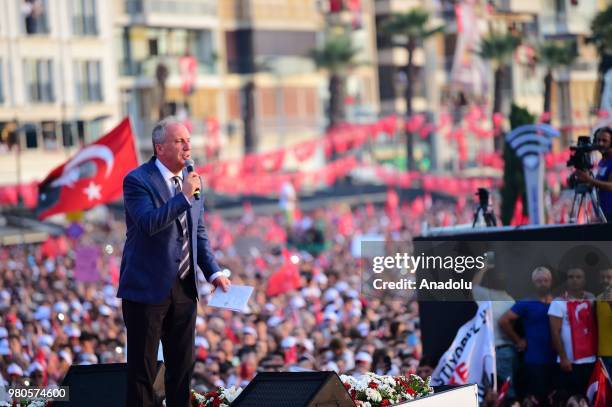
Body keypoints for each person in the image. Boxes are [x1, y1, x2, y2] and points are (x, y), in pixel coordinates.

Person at [117, 117, 230, 407]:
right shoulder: (137, 180)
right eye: (179, 141)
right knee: (143, 371)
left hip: (183, 288)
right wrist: (182, 197)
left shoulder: (192, 181)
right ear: (160, 147)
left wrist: (213, 272)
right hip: (146, 289)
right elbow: (148, 223)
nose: (187, 146)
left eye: (188, 140)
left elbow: (198, 232)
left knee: (182, 368)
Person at [499, 266, 556, 403]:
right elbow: (504, 321)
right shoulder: (526, 302)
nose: (543, 283)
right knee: (537, 399)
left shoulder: (558, 302)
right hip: (535, 360)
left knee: (555, 399)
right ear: (533, 283)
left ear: (551, 281)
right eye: (539, 281)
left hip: (557, 359)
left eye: (545, 280)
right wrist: (518, 340)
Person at [548, 268, 596, 397]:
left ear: (584, 280)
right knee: (571, 398)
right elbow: (555, 332)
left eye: (578, 277)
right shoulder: (558, 302)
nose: (575, 280)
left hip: (590, 359)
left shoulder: (591, 299)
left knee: (589, 398)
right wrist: (563, 357)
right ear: (567, 280)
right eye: (571, 277)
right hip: (569, 362)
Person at [574, 126, 612, 222]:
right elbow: (599, 183)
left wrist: (589, 179)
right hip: (603, 212)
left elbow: (610, 186)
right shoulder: (602, 161)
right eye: (598, 140)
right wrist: (586, 180)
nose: (600, 143)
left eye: (604, 141)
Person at [595, 268, 612, 375]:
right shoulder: (598, 298)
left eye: (609, 277)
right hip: (602, 355)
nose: (605, 280)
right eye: (603, 277)